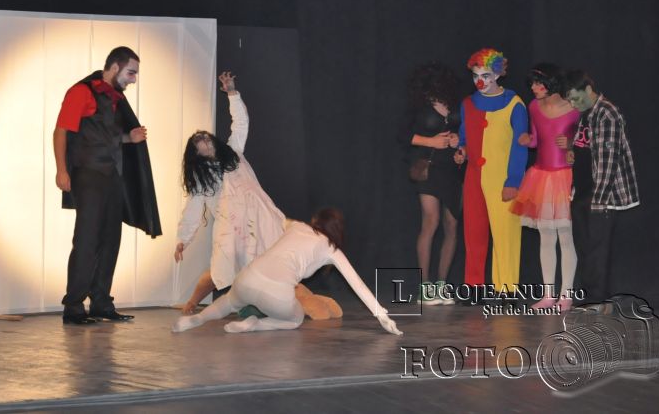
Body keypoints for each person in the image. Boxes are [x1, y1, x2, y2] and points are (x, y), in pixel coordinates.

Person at [172, 208, 403, 335]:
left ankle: (197, 318)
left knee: (228, 302)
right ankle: (255, 325)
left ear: (315, 221)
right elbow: (358, 284)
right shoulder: (331, 249)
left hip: (248, 277)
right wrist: (382, 315)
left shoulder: (297, 226)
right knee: (296, 319)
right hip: (277, 293)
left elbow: (275, 215)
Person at [54, 46, 158, 325]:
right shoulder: (81, 91)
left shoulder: (114, 97)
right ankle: (74, 306)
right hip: (88, 174)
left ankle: (101, 302)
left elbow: (105, 136)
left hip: (112, 176)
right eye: (131, 73)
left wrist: (128, 138)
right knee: (87, 239)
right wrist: (61, 169)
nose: (134, 79)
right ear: (114, 67)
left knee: (111, 239)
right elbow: (61, 130)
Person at [174, 72, 285, 314]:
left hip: (256, 217)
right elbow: (193, 208)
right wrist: (183, 239)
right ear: (197, 153)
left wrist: (232, 93)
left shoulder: (233, 153)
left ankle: (263, 304)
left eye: (206, 138)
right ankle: (192, 303)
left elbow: (241, 122)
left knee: (265, 260)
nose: (205, 142)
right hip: (231, 227)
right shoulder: (203, 177)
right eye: (200, 144)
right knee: (222, 270)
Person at [454, 48, 528, 294]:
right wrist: (462, 151)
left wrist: (513, 181)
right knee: (473, 232)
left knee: (505, 233)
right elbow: (464, 138)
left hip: (502, 178)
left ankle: (506, 289)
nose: (480, 81)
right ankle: (473, 287)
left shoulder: (515, 105)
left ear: (498, 74)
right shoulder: (467, 104)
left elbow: (519, 147)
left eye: (485, 75)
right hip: (474, 177)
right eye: (476, 76)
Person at [563, 70, 639, 302]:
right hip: (582, 190)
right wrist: (573, 152)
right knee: (585, 248)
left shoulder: (607, 113)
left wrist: (599, 200)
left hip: (600, 195)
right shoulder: (586, 114)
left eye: (576, 98)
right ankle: (590, 297)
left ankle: (598, 301)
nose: (573, 104)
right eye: (570, 101)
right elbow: (587, 148)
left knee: (598, 251)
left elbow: (608, 161)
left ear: (588, 89)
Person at [510, 64, 580, 311]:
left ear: (551, 83)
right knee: (546, 237)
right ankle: (549, 294)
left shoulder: (574, 108)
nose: (533, 87)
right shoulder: (534, 107)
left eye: (538, 83)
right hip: (541, 176)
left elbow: (586, 140)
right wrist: (527, 140)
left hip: (565, 176)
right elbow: (537, 139)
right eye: (532, 83)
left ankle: (566, 295)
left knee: (565, 236)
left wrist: (572, 143)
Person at [406, 63, 462, 305]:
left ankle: (441, 284)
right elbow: (402, 135)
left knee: (452, 225)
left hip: (452, 168)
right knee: (431, 220)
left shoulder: (455, 105)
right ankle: (424, 286)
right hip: (428, 168)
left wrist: (458, 141)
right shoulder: (419, 106)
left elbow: (464, 132)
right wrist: (431, 141)